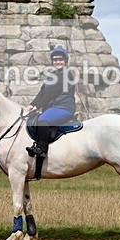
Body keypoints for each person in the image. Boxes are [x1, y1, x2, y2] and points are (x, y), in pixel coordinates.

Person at [24, 46, 77, 178]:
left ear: (65, 61)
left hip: (64, 107)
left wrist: (38, 106)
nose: (58, 62)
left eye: (61, 60)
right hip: (53, 107)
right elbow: (42, 93)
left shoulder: (66, 74)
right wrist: (32, 104)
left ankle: (42, 149)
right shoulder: (52, 75)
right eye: (55, 60)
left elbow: (52, 93)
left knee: (43, 120)